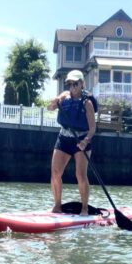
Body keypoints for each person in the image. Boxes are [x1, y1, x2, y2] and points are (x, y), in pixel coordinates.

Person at [47, 70, 96, 216]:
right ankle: (57, 206)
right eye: (70, 84)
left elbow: (93, 128)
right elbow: (50, 108)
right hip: (64, 138)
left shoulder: (87, 103)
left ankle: (85, 208)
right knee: (55, 173)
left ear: (82, 84)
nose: (72, 87)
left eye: (75, 84)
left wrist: (85, 141)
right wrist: (54, 102)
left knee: (80, 175)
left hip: (81, 140)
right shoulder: (64, 97)